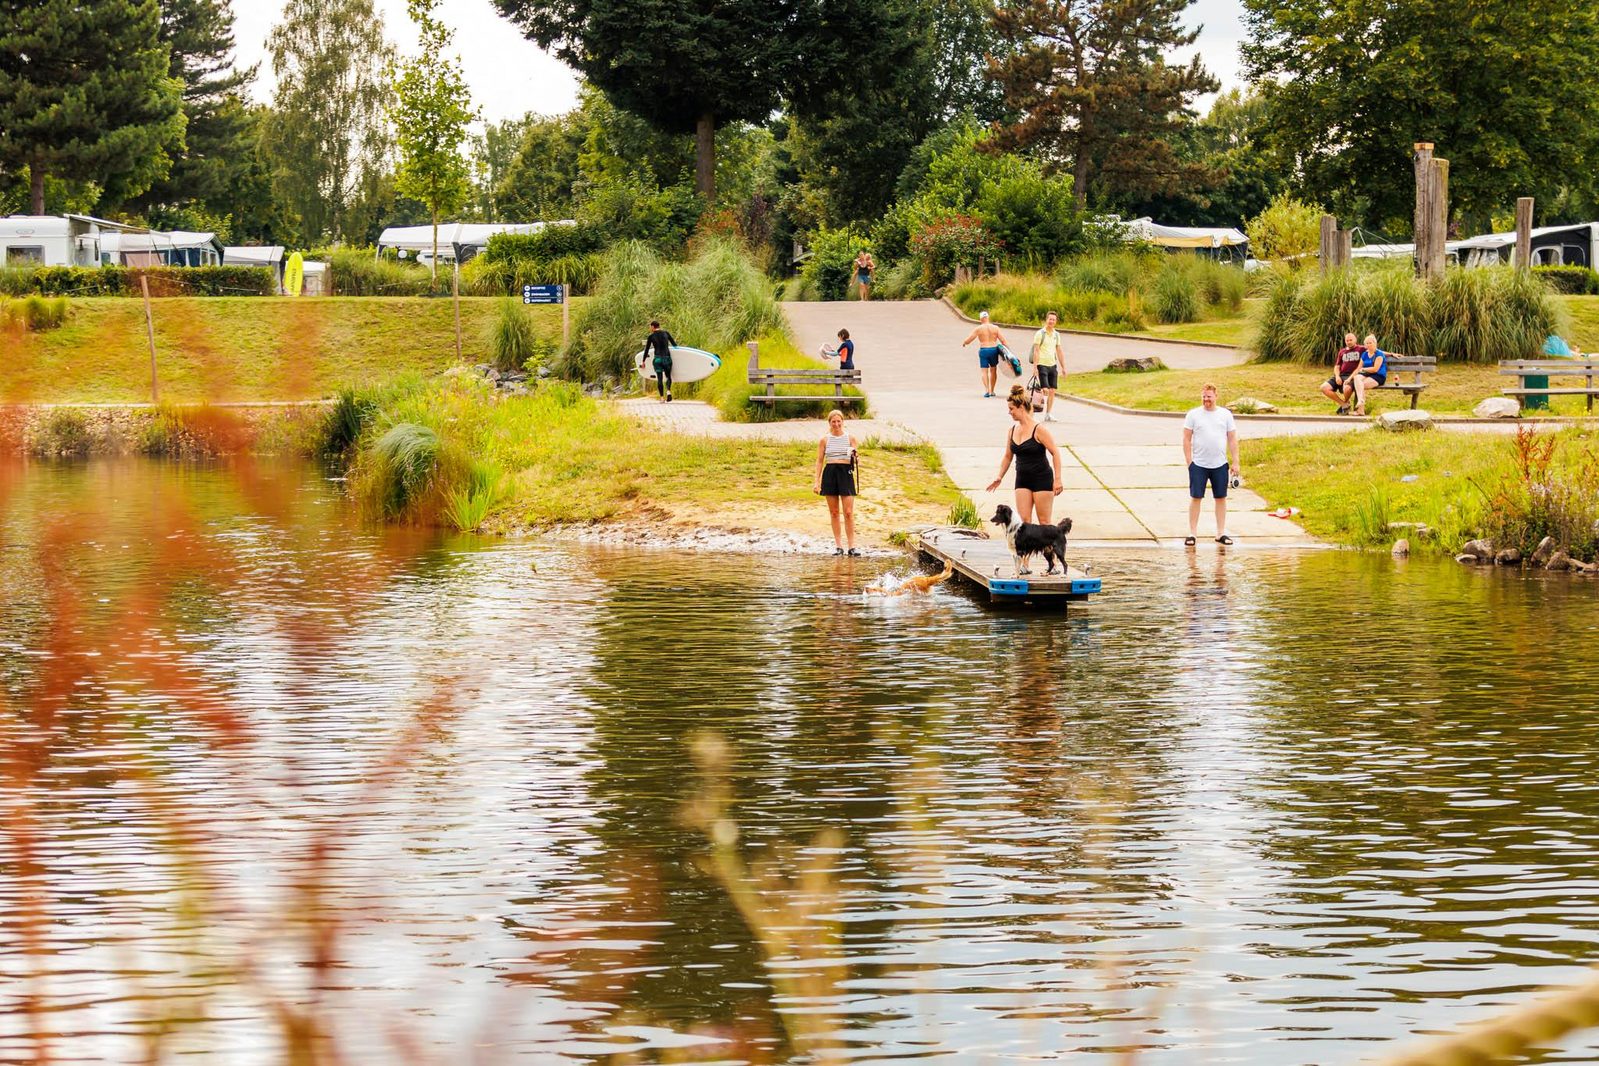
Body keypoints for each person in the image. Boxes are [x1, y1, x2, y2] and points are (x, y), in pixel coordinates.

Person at [987, 384, 1065, 524]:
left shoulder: (1039, 429)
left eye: (1011, 409)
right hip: (1022, 479)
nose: (1009, 412)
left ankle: (1048, 547)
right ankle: (1029, 547)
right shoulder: (1012, 430)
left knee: (1044, 523)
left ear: (1021, 408)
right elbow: (1007, 457)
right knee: (1024, 523)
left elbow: (1055, 453)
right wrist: (999, 476)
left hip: (1042, 479)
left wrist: (1058, 479)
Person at [1182, 383, 1239, 546]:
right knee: (1196, 497)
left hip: (1220, 464)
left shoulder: (1225, 414)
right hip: (1199, 464)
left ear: (1216, 396)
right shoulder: (1193, 415)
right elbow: (1186, 438)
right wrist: (1189, 462)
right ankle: (1192, 533)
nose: (1206, 399)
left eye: (1209, 396)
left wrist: (1236, 462)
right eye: (1204, 396)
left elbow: (1232, 439)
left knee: (1221, 498)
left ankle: (1221, 533)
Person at [814, 409, 860, 556]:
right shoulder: (824, 440)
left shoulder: (851, 438)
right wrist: (817, 482)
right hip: (830, 473)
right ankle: (839, 546)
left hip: (846, 473)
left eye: (839, 421)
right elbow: (820, 461)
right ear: (829, 423)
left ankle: (852, 547)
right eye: (833, 421)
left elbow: (856, 458)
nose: (836, 424)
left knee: (848, 512)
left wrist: (856, 458)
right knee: (834, 512)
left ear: (842, 422)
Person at [962, 310, 1004, 397]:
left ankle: (987, 391)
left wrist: (964, 342)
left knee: (984, 371)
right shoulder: (995, 328)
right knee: (993, 370)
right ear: (988, 317)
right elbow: (1003, 340)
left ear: (981, 319)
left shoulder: (978, 329)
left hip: (984, 350)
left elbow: (969, 339)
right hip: (993, 350)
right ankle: (992, 391)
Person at [1030, 311, 1062, 422]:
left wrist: (1063, 367)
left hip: (1052, 365)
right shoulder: (1040, 333)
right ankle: (1032, 413)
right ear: (1046, 320)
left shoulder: (1056, 335)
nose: (1051, 321)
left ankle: (1048, 414)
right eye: (1050, 319)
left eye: (1053, 319)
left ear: (1056, 322)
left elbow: (1059, 351)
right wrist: (1035, 368)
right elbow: (1036, 351)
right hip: (1042, 364)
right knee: (1044, 390)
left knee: (1052, 391)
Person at [1319, 331, 1363, 414]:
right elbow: (1337, 366)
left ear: (1355, 340)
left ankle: (1346, 404)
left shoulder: (1361, 349)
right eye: (1347, 340)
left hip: (1353, 376)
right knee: (1323, 387)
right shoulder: (1342, 351)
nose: (1349, 342)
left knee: (1347, 388)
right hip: (1341, 375)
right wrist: (1337, 376)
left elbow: (1375, 350)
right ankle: (1344, 404)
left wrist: (1391, 354)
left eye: (1351, 340)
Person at [1349, 333, 1388, 416]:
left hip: (1378, 376)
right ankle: (1360, 401)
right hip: (1367, 374)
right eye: (1367, 343)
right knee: (1357, 378)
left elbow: (1375, 369)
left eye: (1370, 342)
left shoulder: (1379, 354)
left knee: (1360, 385)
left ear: (1375, 343)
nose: (1369, 345)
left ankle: (1360, 410)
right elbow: (1358, 368)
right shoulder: (1365, 354)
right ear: (1365, 345)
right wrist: (1349, 379)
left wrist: (1363, 369)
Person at [643, 319, 676, 402]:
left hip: (657, 359)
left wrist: (643, 361)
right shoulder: (666, 333)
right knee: (668, 376)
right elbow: (674, 345)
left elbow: (646, 350)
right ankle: (668, 391)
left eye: (650, 327)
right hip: (667, 358)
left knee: (660, 378)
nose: (650, 328)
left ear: (653, 327)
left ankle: (661, 398)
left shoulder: (651, 337)